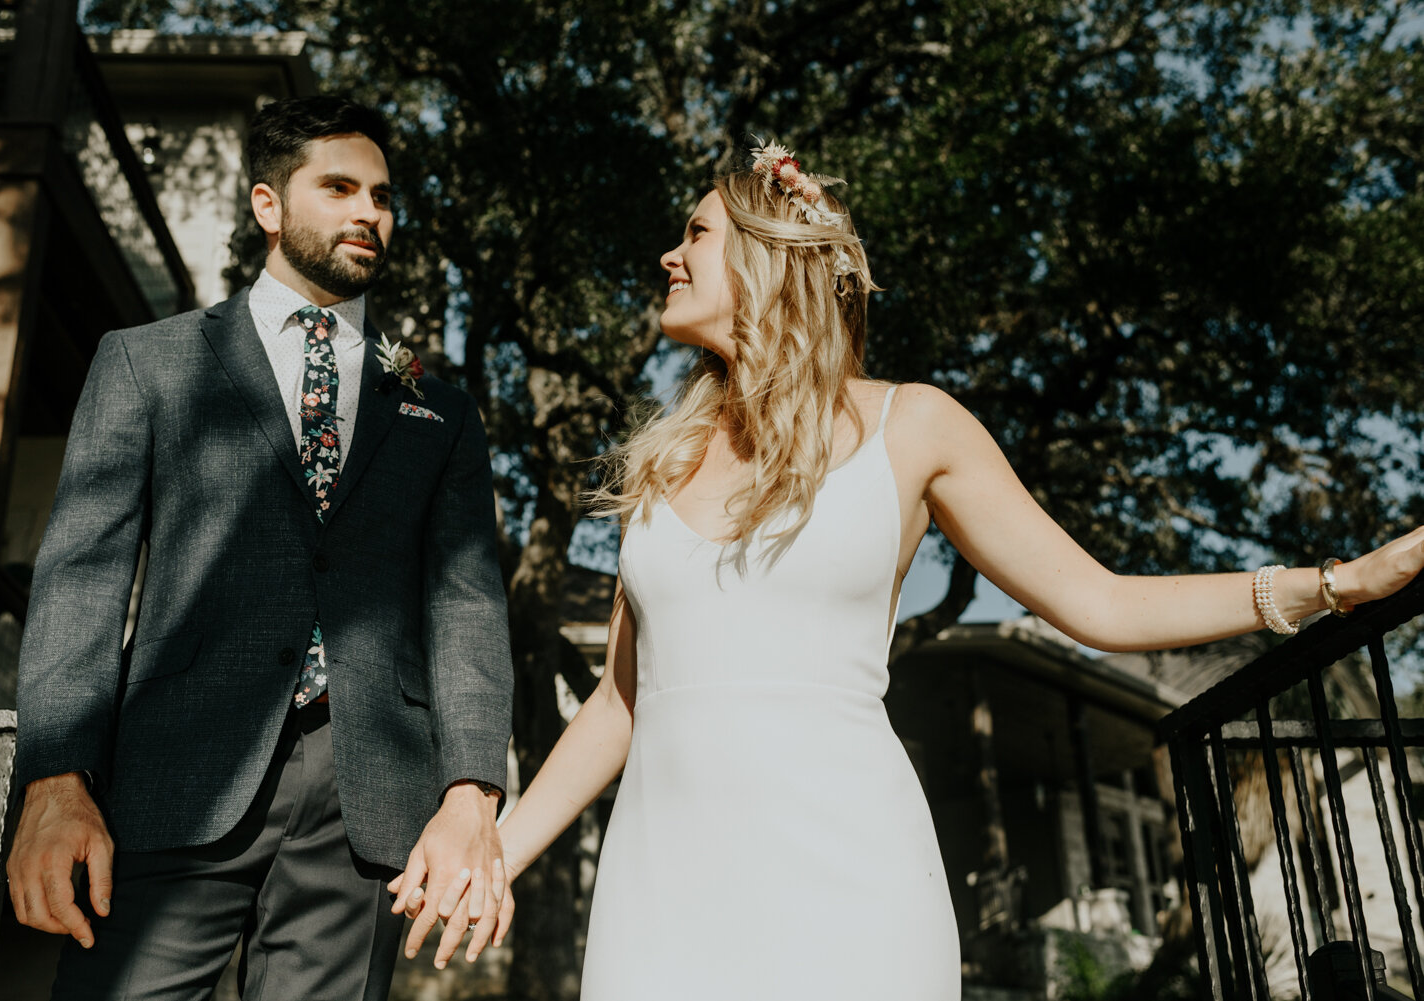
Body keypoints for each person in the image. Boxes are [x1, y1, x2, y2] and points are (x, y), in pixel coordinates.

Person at [397, 141, 1424, 997]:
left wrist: (1332, 585)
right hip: (661, 886)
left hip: (850, 875)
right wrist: (499, 846)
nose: (668, 255)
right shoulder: (663, 466)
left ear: (770, 259)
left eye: (697, 232)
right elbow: (622, 700)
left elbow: (1097, 600)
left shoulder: (914, 425)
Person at [5, 95, 513, 1001]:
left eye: (383, 196)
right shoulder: (146, 363)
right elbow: (83, 575)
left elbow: (468, 602)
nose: (369, 212)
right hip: (174, 774)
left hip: (369, 799)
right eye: (340, 187)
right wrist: (55, 776)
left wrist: (471, 787)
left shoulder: (440, 405)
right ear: (268, 205)